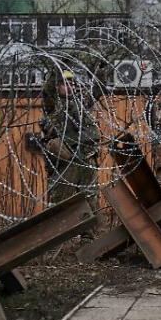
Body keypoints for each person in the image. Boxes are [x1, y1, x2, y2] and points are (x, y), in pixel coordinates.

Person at [40, 66, 107, 240]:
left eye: (71, 82)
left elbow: (97, 90)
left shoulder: (81, 101)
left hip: (86, 156)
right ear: (57, 86)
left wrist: (100, 70)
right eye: (64, 83)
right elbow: (47, 91)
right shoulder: (53, 104)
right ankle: (53, 238)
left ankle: (91, 235)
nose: (69, 86)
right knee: (59, 199)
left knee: (90, 197)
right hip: (65, 159)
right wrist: (56, 69)